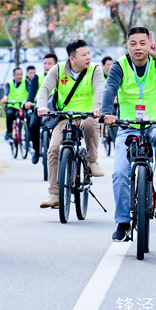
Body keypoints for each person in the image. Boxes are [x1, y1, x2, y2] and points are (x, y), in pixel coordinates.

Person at [102, 26, 156, 242]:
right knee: (119, 173)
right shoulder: (120, 66)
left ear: (149, 43)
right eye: (133, 43)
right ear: (127, 46)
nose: (138, 47)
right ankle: (123, 222)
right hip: (127, 125)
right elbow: (110, 89)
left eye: (142, 43)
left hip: (155, 122)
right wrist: (108, 112)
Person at [36, 40, 105, 209]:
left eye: (88, 53)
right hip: (64, 117)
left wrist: (97, 108)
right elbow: (44, 89)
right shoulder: (58, 70)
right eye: (84, 55)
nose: (88, 57)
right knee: (53, 150)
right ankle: (55, 194)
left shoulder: (95, 69)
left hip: (88, 115)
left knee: (90, 125)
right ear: (72, 58)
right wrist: (42, 106)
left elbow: (100, 89)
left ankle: (92, 160)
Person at [27, 53, 58, 164]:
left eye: (49, 63)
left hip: (56, 109)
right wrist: (30, 101)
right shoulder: (37, 77)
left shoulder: (61, 76)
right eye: (45, 63)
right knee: (33, 126)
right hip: (40, 108)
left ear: (55, 64)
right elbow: (32, 91)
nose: (46, 66)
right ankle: (36, 150)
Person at [1, 67, 29, 141]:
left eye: (21, 74)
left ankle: (28, 138)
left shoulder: (26, 81)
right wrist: (5, 98)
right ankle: (9, 132)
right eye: (18, 74)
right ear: (13, 75)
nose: (20, 76)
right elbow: (6, 92)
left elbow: (30, 90)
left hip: (23, 106)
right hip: (11, 106)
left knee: (29, 117)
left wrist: (34, 98)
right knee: (9, 115)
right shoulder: (9, 83)